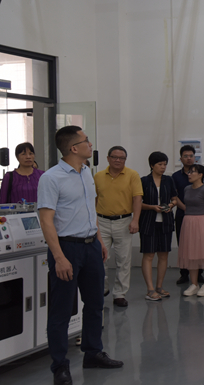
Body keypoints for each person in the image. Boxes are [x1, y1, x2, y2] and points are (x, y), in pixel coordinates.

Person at [38, 126, 123, 385]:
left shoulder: (87, 172)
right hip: (67, 248)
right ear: (74, 148)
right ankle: (60, 366)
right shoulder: (51, 178)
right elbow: (46, 220)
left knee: (95, 304)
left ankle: (93, 353)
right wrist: (59, 257)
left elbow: (90, 210)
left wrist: (99, 241)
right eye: (86, 140)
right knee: (62, 310)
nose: (90, 144)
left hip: (91, 246)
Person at [94, 146, 143, 308]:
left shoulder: (132, 175)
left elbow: (137, 199)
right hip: (102, 221)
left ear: (125, 160)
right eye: (114, 157)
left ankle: (120, 294)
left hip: (124, 221)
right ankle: (102, 288)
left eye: (121, 158)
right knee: (100, 257)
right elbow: (94, 199)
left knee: (123, 259)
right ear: (108, 158)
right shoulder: (98, 176)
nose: (117, 160)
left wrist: (135, 220)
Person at [139, 152, 178, 301]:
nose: (163, 167)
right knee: (149, 255)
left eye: (165, 164)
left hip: (166, 222)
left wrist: (170, 205)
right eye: (160, 164)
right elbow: (138, 203)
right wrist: (152, 207)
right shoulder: (144, 181)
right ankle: (150, 289)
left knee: (163, 254)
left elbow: (175, 199)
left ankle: (159, 287)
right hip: (148, 222)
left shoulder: (169, 180)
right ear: (152, 165)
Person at [175, 164, 204, 297]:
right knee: (191, 253)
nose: (189, 174)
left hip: (201, 223)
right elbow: (185, 205)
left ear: (200, 175)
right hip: (188, 222)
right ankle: (194, 284)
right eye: (189, 172)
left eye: (192, 172)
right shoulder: (187, 189)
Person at [172, 145, 204, 284]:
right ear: (181, 158)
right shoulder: (175, 176)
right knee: (184, 244)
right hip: (182, 214)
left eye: (191, 156)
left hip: (198, 216)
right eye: (186, 156)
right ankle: (184, 273)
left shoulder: (201, 174)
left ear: (195, 158)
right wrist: (185, 208)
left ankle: (199, 273)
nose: (189, 158)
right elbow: (174, 196)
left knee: (198, 244)